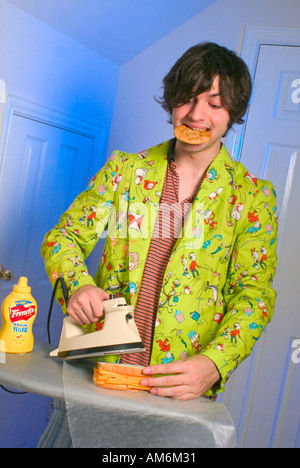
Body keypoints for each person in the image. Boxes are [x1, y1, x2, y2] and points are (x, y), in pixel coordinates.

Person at [41, 43, 278, 405]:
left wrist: (214, 365)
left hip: (179, 392)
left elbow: (254, 297)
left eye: (214, 104)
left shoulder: (252, 198)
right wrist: (77, 284)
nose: (196, 115)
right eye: (187, 99)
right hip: (97, 374)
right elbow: (64, 237)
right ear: (171, 103)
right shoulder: (124, 171)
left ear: (232, 113)